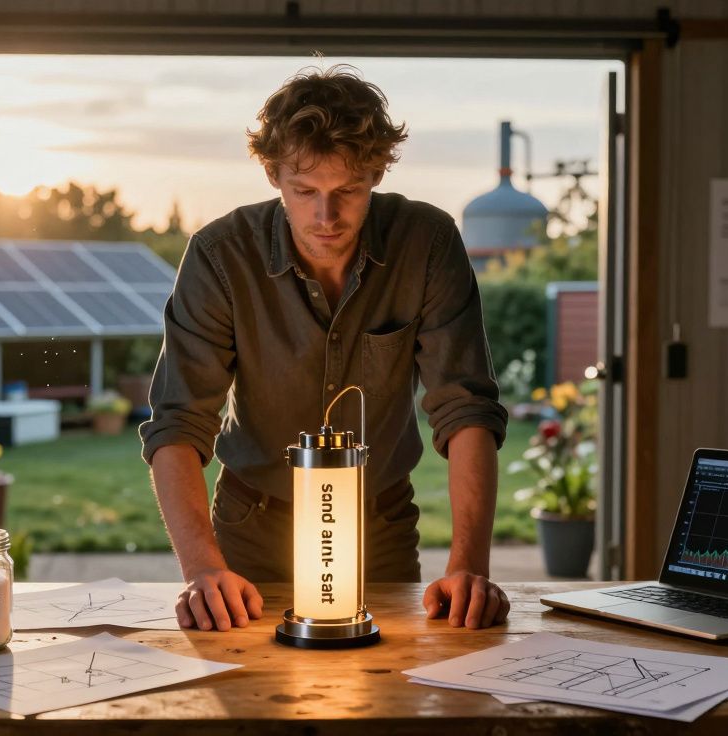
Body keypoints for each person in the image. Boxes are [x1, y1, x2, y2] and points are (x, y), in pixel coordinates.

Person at [139, 65, 510, 632]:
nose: (325, 217)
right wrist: (202, 570)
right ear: (273, 174)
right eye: (304, 191)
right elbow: (178, 422)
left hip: (378, 527)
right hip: (252, 530)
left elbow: (466, 409)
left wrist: (468, 569)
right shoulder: (219, 256)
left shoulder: (428, 244)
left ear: (377, 173)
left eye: (349, 191)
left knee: (390, 703)